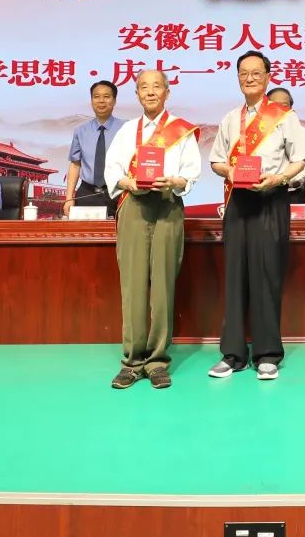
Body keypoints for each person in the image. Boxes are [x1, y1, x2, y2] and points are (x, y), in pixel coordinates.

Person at [208, 51, 305, 381]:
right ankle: (233, 354)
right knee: (235, 278)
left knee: (267, 276)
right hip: (238, 202)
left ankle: (267, 354)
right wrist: (229, 171)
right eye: (244, 73)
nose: (250, 78)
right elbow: (216, 161)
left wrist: (279, 178)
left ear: (268, 77)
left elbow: (303, 160)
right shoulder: (230, 119)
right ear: (238, 78)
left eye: (256, 72)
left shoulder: (284, 117)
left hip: (271, 200)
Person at [103, 70, 201, 389]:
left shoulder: (182, 131)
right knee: (132, 284)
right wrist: (128, 182)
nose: (150, 92)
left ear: (167, 92)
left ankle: (157, 360)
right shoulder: (126, 131)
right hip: (134, 205)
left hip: (168, 205)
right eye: (143, 87)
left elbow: (190, 173)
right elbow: (112, 170)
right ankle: (132, 361)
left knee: (163, 284)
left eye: (156, 86)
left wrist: (175, 181)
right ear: (137, 94)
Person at [63, 81, 125, 218]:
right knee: (85, 231)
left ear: (114, 101)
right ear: (91, 101)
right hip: (87, 193)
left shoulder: (127, 128)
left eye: (106, 96)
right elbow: (75, 164)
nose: (101, 101)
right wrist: (69, 197)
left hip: (118, 191)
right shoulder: (81, 131)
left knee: (122, 231)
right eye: (96, 97)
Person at [267, 87, 305, 204]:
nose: (279, 109)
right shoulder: (257, 135)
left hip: (290, 193)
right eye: (274, 105)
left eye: (284, 106)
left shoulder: (301, 132)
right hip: (261, 192)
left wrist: (283, 180)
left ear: (291, 108)